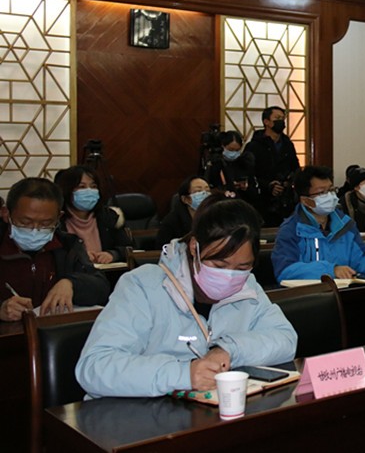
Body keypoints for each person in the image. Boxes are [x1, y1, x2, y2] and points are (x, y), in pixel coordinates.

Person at [75, 198, 297, 398]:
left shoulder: (248, 285)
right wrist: (184, 374)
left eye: (242, 267)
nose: (230, 276)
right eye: (219, 264)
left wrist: (229, 350)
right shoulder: (142, 286)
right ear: (194, 247)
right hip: (139, 417)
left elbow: (286, 339)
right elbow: (95, 367)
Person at [0, 177, 109, 322]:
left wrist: (71, 284)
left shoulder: (67, 245)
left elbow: (101, 287)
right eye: (25, 222)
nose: (35, 230)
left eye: (46, 224)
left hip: (55, 331)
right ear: (6, 214)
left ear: (59, 218)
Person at [272, 166, 365, 280]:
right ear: (306, 200)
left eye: (331, 190)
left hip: (345, 289)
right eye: (322, 193)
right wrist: (331, 270)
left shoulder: (345, 224)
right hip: (313, 290)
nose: (330, 196)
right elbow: (285, 271)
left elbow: (360, 258)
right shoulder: (291, 230)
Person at [55, 165, 132, 264]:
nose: (89, 191)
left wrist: (113, 254)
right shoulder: (57, 220)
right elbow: (53, 255)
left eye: (93, 186)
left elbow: (128, 247)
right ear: (67, 190)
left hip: (107, 272)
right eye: (82, 187)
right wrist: (78, 256)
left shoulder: (108, 216)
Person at [243, 106, 301, 226]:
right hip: (262, 201)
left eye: (283, 118)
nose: (281, 121)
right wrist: (268, 185)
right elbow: (248, 174)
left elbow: (295, 167)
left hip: (285, 200)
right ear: (267, 122)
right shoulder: (254, 146)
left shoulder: (288, 144)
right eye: (277, 118)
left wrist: (289, 181)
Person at [204, 130, 261, 206]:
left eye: (237, 150)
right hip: (221, 204)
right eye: (231, 150)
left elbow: (254, 189)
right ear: (223, 146)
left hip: (243, 203)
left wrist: (246, 187)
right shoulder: (215, 164)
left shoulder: (246, 163)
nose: (233, 153)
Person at [155, 176, 211, 247]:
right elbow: (162, 248)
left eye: (207, 191)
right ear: (185, 199)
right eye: (198, 191)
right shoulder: (172, 221)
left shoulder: (215, 215)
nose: (204, 194)